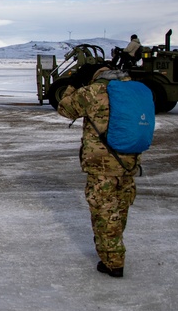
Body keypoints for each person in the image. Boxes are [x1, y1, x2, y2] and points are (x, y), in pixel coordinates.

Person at [56, 67, 141, 278]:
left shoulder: (93, 92)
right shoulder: (133, 91)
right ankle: (113, 247)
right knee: (120, 208)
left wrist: (74, 84)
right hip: (129, 161)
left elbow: (65, 108)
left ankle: (113, 262)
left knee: (104, 212)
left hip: (103, 164)